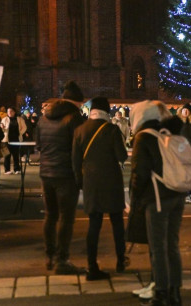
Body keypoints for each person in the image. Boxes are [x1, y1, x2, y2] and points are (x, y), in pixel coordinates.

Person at [130, 100, 186, 306]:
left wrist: (136, 198)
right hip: (177, 194)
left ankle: (160, 293)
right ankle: (175, 292)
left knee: (158, 247)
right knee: (172, 245)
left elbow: (139, 173)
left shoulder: (144, 137)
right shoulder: (169, 132)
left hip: (156, 198)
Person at [71, 97, 128, 281]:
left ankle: (92, 266)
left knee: (94, 225)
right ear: (106, 111)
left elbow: (75, 161)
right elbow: (122, 155)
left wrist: (80, 181)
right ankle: (120, 261)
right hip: (112, 182)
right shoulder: (111, 129)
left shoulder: (80, 130)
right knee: (117, 223)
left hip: (91, 182)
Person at [34, 81, 86, 275]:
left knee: (50, 215)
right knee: (66, 217)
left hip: (46, 172)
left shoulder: (44, 118)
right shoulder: (74, 118)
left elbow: (38, 145)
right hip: (66, 174)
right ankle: (62, 260)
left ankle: (49, 256)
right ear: (77, 102)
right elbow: (80, 147)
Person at [1, 107, 28, 175]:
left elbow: (24, 127)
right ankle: (7, 170)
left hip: (16, 139)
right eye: (8, 111)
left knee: (16, 155)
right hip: (6, 140)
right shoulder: (4, 119)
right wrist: (2, 128)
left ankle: (17, 169)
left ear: (14, 112)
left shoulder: (19, 119)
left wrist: (20, 133)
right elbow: (1, 129)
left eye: (11, 111)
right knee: (7, 155)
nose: (9, 113)